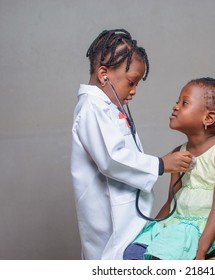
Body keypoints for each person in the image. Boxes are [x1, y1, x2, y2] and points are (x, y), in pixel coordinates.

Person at [71, 29, 192, 260]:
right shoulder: (91, 108)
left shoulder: (107, 108)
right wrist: (160, 164)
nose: (134, 91)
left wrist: (160, 163)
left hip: (127, 218)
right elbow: (111, 158)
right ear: (104, 74)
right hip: (109, 219)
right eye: (131, 82)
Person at [123, 77, 215, 260]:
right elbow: (171, 202)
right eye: (177, 102)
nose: (175, 106)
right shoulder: (178, 153)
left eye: (184, 103)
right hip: (181, 223)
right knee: (133, 252)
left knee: (161, 256)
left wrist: (200, 252)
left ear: (208, 118)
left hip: (212, 225)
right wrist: (150, 230)